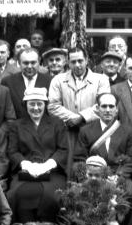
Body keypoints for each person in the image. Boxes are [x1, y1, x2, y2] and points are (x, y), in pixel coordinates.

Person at [74, 93, 132, 225]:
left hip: (117, 174)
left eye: (111, 106)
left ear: (116, 109)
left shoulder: (127, 131)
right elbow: (78, 159)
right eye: (104, 106)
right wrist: (88, 177)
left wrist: (119, 176)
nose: (107, 110)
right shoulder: (86, 130)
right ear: (97, 109)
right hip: (94, 175)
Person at [7, 87, 68, 224]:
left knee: (51, 196)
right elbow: (13, 151)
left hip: (53, 173)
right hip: (24, 173)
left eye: (39, 104)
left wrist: (47, 165)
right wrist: (27, 165)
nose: (35, 108)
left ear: (45, 105)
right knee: (15, 195)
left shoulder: (57, 124)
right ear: (25, 105)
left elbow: (63, 150)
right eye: (31, 104)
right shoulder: (16, 126)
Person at [48, 47, 111, 176]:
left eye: (80, 61)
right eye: (73, 61)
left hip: (93, 130)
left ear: (87, 60)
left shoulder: (101, 79)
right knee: (70, 167)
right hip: (67, 130)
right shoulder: (58, 80)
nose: (77, 65)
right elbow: (52, 106)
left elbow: (103, 105)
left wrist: (82, 117)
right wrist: (73, 118)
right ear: (68, 62)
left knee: (94, 166)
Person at [73, 156, 125, 225]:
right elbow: (76, 216)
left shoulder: (111, 188)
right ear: (85, 173)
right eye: (90, 174)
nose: (93, 178)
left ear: (104, 175)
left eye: (97, 175)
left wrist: (114, 207)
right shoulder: (79, 189)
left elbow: (121, 215)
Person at [1, 48, 52, 119]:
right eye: (26, 63)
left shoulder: (50, 81)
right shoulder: (7, 82)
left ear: (39, 62)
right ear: (19, 63)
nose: (29, 66)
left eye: (33, 63)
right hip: (16, 128)